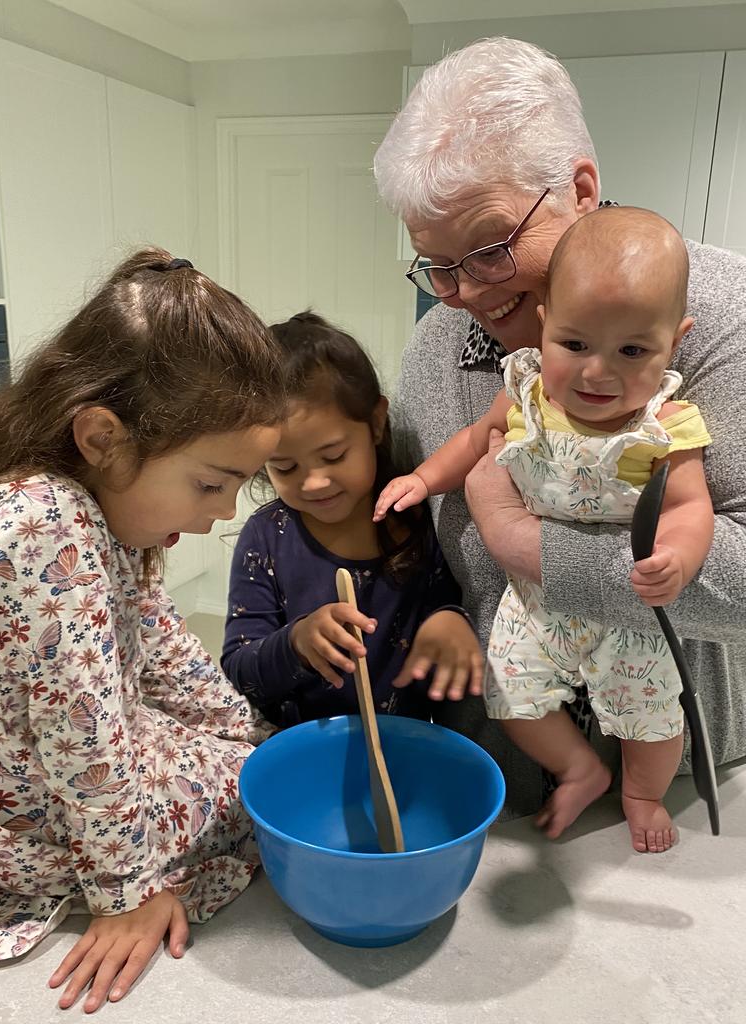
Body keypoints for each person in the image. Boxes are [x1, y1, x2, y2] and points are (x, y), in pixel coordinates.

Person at [373, 36, 746, 825]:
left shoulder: (725, 327)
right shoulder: (436, 349)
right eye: (436, 264)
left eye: (490, 246)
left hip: (682, 790)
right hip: (498, 780)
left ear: (580, 188)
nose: (460, 292)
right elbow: (413, 538)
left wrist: (527, 545)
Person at [0, 249, 285, 1011]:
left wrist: (253, 734)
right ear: (102, 437)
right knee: (251, 804)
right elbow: (83, 743)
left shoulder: (104, 509)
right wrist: (127, 891)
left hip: (57, 753)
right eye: (210, 484)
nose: (221, 513)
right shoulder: (44, 527)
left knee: (252, 768)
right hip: (14, 798)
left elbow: (162, 647)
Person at [375, 207, 713, 852]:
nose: (597, 373)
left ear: (675, 341)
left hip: (629, 616)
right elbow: (475, 441)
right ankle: (578, 767)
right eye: (575, 344)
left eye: (633, 351)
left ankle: (640, 791)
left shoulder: (667, 424)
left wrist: (679, 556)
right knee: (509, 694)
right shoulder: (527, 393)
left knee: (653, 720)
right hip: (533, 604)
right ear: (544, 326)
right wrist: (424, 480)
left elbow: (691, 507)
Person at [221, 311, 483, 728]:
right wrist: (296, 643)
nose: (314, 482)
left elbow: (443, 600)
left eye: (333, 456)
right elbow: (239, 668)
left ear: (376, 423)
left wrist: (449, 621)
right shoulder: (267, 537)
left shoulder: (411, 520)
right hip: (299, 750)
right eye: (285, 467)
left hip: (403, 747)